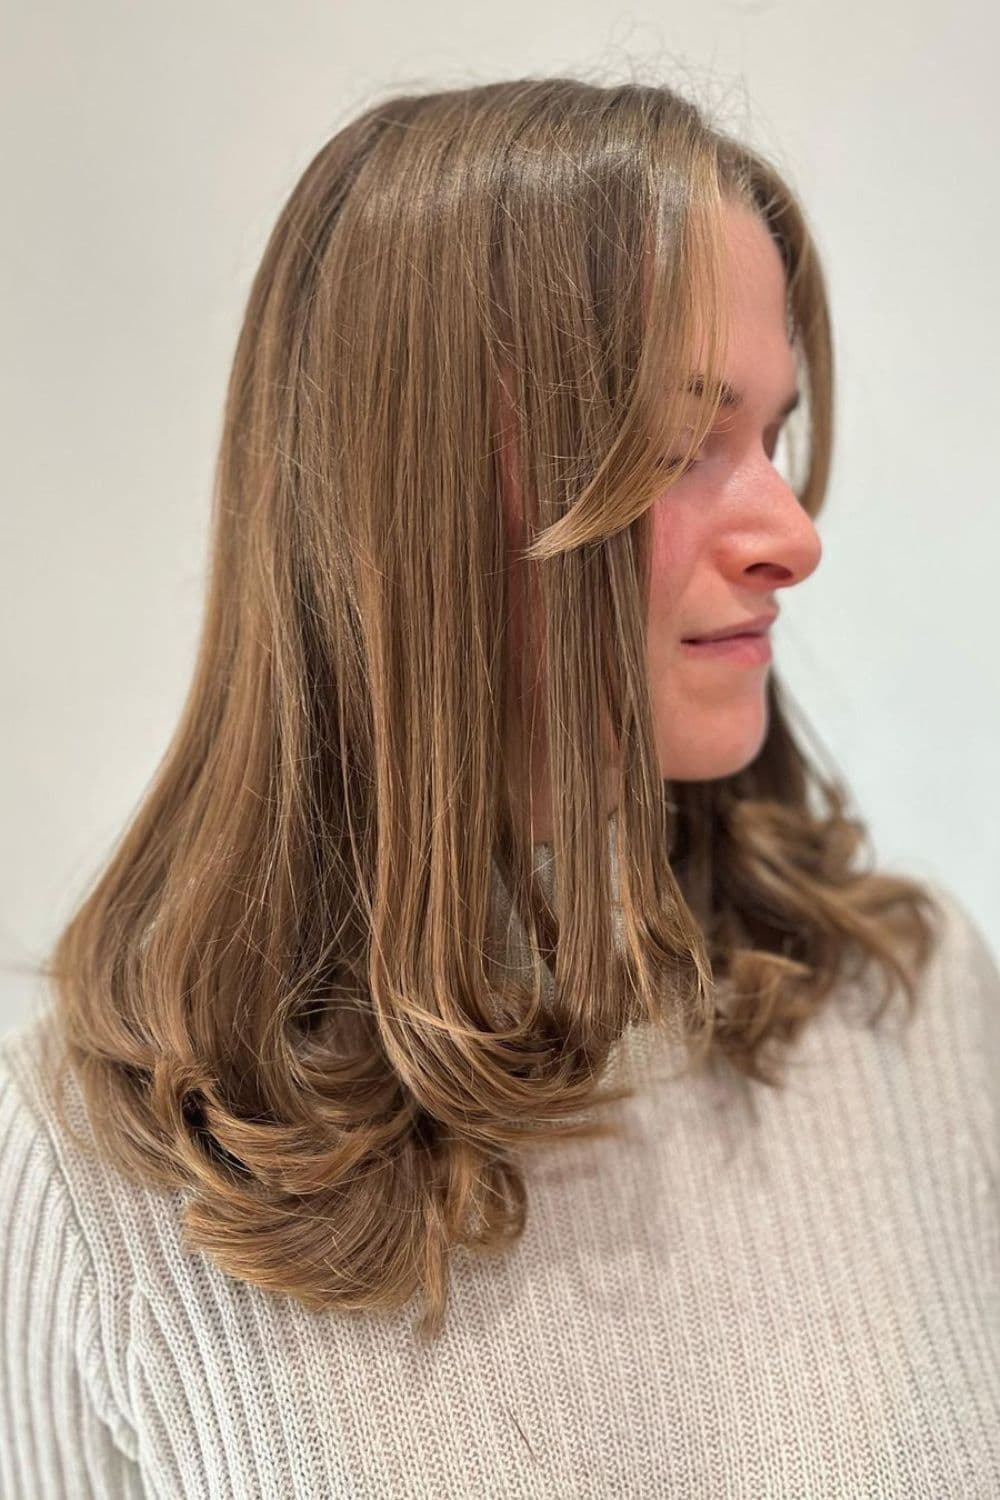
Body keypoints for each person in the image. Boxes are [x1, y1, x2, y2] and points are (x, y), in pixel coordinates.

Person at [1, 74, 997, 1499]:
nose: (791, 533)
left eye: (769, 439)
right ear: (417, 502)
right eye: (679, 446)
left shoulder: (915, 1006)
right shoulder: (87, 1178)